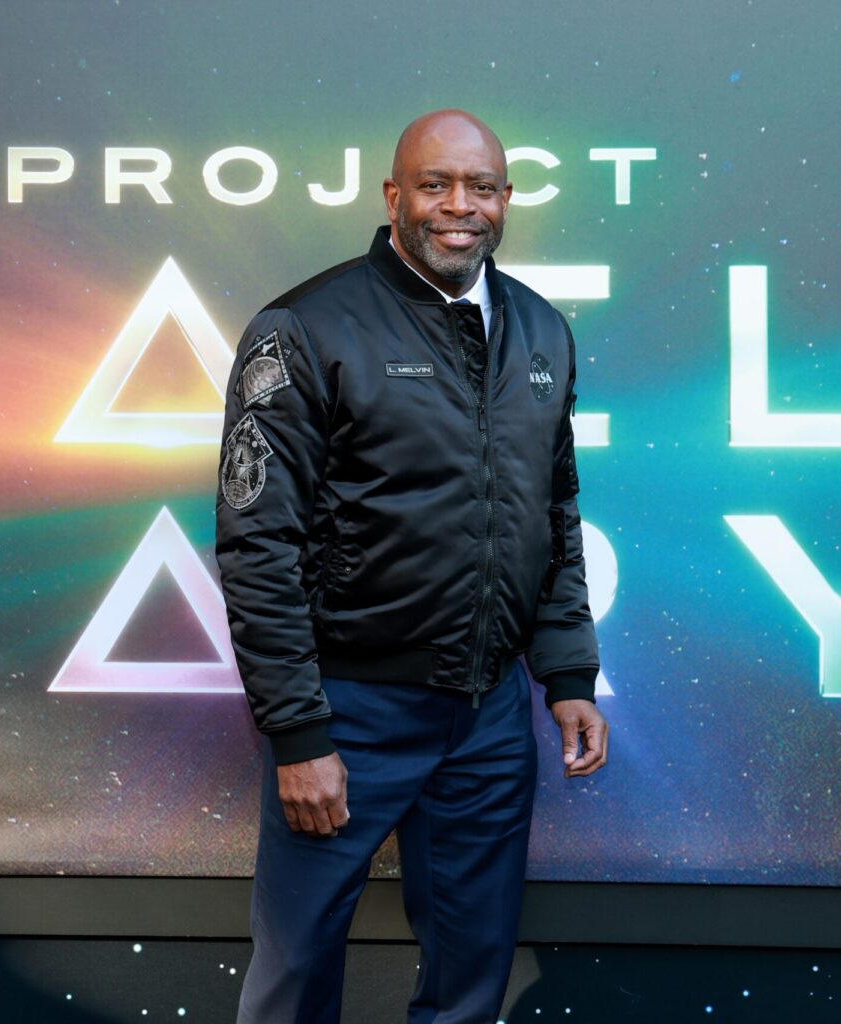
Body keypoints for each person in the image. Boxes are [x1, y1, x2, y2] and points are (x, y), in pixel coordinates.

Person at [215, 108, 608, 1024]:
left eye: (481, 188)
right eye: (435, 185)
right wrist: (299, 734)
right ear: (395, 195)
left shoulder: (541, 330)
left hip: (490, 717)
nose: (458, 207)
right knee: (295, 970)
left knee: (472, 973)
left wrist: (566, 674)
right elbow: (256, 543)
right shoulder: (305, 327)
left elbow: (553, 513)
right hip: (348, 711)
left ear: (506, 199)